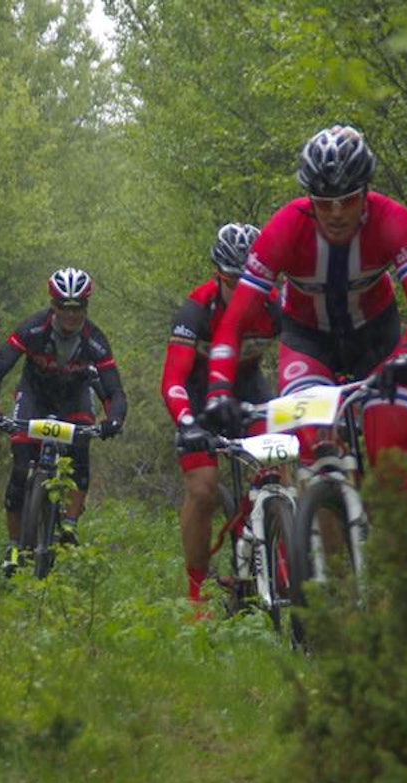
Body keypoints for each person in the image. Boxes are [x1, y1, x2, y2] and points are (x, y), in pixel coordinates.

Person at [204, 125, 407, 482]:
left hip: (377, 343)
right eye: (323, 202)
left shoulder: (393, 220)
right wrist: (219, 389)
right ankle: (322, 519)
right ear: (309, 198)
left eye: (347, 199)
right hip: (309, 343)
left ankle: (396, 535)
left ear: (366, 193)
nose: (335, 213)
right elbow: (233, 322)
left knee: (389, 462)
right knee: (315, 456)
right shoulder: (285, 228)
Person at [0, 267, 128, 574]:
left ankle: (69, 527)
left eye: (78, 308)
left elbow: (114, 390)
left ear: (86, 307)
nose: (71, 315)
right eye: (64, 307)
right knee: (20, 472)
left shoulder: (95, 341)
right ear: (53, 305)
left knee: (80, 452)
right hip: (34, 396)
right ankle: (13, 548)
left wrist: (113, 419)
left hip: (74, 399)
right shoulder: (33, 329)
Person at [160, 223, 279, 607]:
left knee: (280, 466)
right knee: (203, 488)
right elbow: (173, 378)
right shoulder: (197, 309)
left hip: (248, 388)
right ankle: (198, 591)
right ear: (218, 274)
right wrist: (186, 421)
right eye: (233, 280)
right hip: (198, 396)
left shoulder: (277, 305)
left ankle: (277, 546)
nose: (244, 291)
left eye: (252, 283)